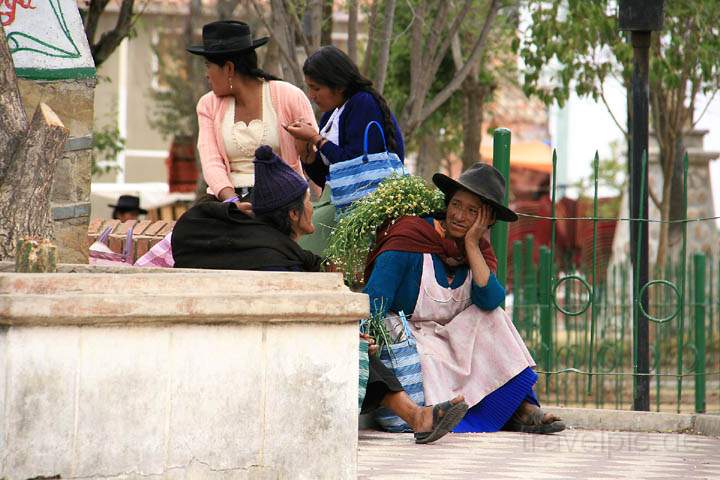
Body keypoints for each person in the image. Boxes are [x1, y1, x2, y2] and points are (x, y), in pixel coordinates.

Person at [172, 146, 468, 444]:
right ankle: (416, 416)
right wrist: (348, 339)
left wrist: (234, 208)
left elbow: (190, 221)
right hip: (260, 358)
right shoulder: (279, 261)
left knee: (355, 346)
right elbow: (298, 325)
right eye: (307, 201)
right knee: (353, 350)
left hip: (239, 344)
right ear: (292, 214)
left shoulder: (260, 244)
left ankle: (417, 417)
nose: (312, 205)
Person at [363, 163, 566, 434]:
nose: (459, 216)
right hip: (413, 338)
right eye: (457, 205)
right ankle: (459, 415)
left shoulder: (477, 251)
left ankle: (519, 408)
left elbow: (490, 299)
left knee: (494, 316)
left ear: (487, 221)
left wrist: (471, 244)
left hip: (452, 339)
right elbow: (373, 302)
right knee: (426, 354)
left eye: (473, 212)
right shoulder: (410, 238)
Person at [283, 45, 405, 254]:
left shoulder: (363, 103)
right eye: (309, 88)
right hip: (337, 199)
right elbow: (331, 179)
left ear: (338, 86)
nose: (311, 95)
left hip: (362, 206)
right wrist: (307, 153)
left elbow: (355, 169)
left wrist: (316, 138)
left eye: (316, 88)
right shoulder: (331, 114)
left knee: (298, 244)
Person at [187, 21, 318, 210]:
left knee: (259, 231)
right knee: (187, 229)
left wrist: (306, 145)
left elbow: (312, 159)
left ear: (229, 68)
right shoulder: (208, 105)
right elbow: (211, 162)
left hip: (282, 200)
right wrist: (233, 202)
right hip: (227, 201)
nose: (207, 74)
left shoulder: (289, 96)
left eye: (209, 66)